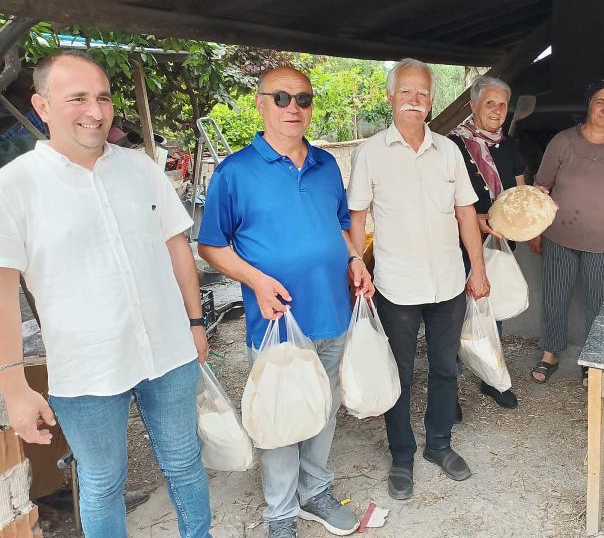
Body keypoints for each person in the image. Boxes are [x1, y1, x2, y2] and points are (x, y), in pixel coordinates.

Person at [0, 50, 212, 538]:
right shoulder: (16, 186)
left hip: (168, 351)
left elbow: (177, 247)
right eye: (77, 98)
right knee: (101, 482)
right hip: (87, 368)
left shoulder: (140, 168)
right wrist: (14, 386)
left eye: (103, 98)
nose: (95, 111)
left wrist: (196, 322)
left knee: (185, 465)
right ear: (42, 105)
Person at [197, 66, 373, 538]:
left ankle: (314, 490)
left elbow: (340, 225)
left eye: (303, 98)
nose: (293, 107)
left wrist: (355, 260)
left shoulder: (326, 165)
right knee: (280, 411)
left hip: (332, 308)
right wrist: (255, 280)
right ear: (260, 104)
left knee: (323, 404)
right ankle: (280, 513)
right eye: (281, 98)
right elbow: (210, 246)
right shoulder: (235, 172)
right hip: (275, 318)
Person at [347, 58, 490, 501]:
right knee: (401, 374)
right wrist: (358, 267)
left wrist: (478, 268)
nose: (415, 100)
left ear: (431, 101)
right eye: (406, 92)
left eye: (423, 93)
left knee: (446, 369)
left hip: (448, 282)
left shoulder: (448, 151)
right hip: (395, 286)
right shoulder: (370, 153)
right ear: (390, 97)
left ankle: (439, 445)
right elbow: (357, 218)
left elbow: (467, 213)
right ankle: (403, 455)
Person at [530, 80, 604, 387]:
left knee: (599, 303)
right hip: (559, 236)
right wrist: (534, 229)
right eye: (600, 101)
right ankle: (551, 353)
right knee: (555, 297)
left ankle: (592, 361)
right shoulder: (563, 142)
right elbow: (541, 188)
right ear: (589, 104)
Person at [448, 75, 525, 411]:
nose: (497, 110)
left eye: (502, 104)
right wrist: (474, 221)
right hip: (458, 245)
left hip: (498, 242)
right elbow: (442, 198)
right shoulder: (452, 145)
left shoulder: (510, 146)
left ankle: (491, 379)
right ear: (473, 106)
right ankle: (447, 389)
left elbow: (519, 190)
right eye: (489, 103)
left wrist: (532, 203)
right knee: (452, 314)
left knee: (493, 309)